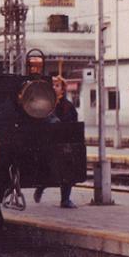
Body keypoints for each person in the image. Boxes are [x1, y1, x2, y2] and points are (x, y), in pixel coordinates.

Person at [34, 76, 78, 208]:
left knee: (67, 169)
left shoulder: (68, 106)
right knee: (48, 168)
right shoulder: (46, 104)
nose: (54, 88)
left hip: (63, 142)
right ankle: (41, 186)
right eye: (52, 85)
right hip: (48, 142)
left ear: (63, 89)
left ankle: (65, 199)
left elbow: (73, 122)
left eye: (57, 85)